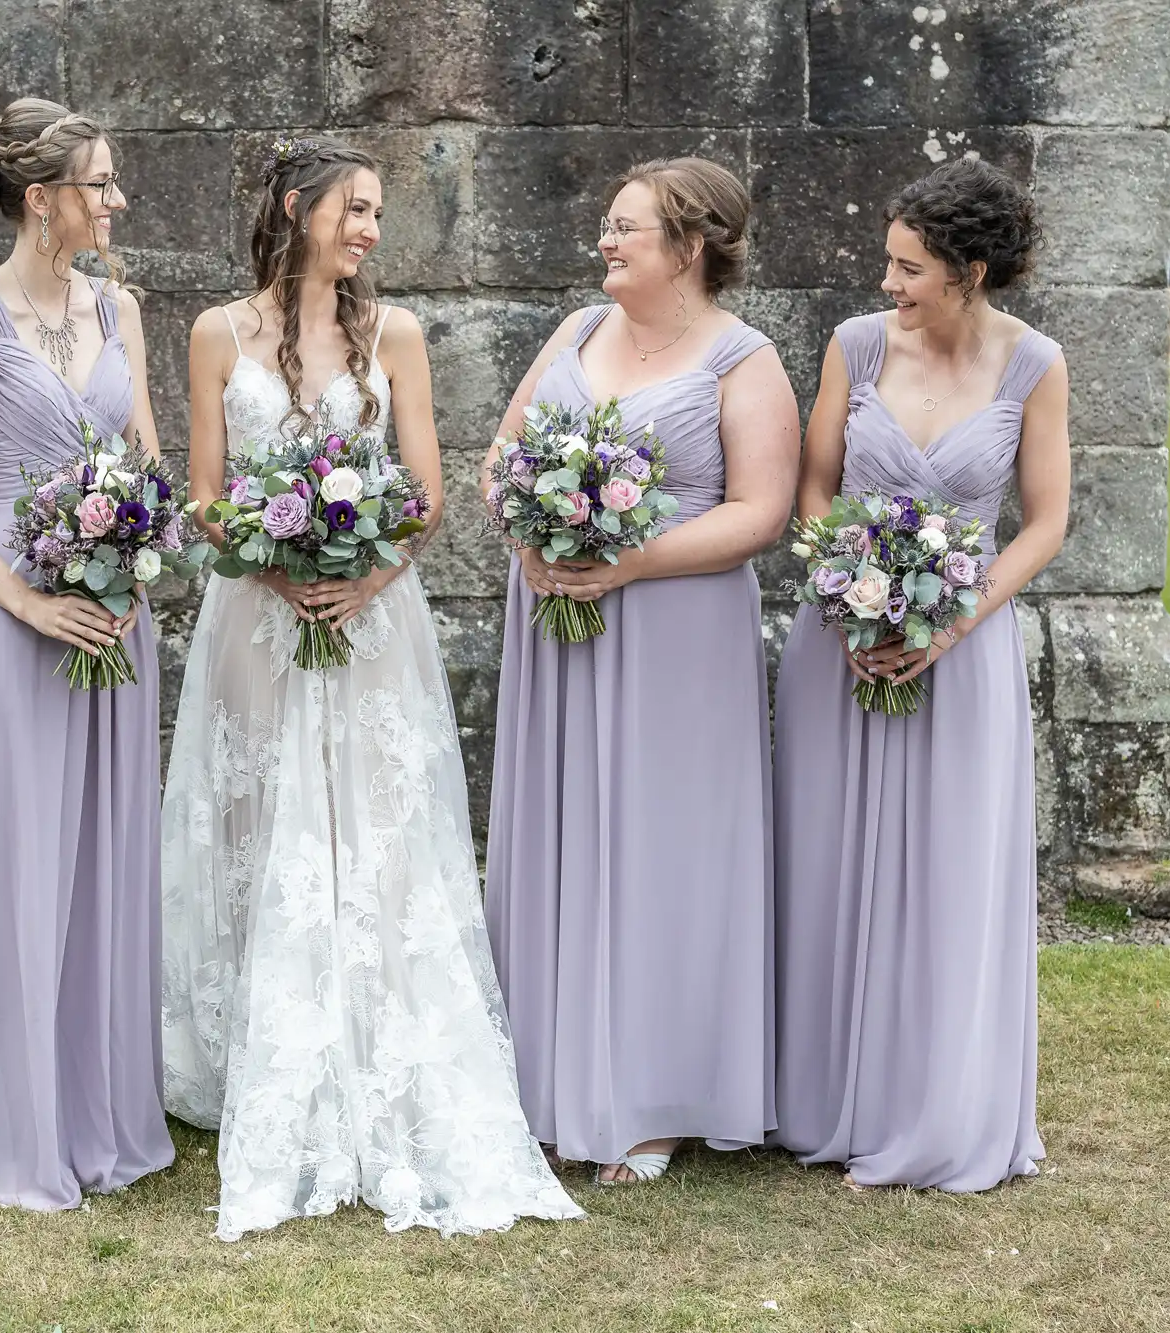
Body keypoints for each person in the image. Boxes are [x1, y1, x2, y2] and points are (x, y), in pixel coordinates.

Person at [157, 135, 582, 1241]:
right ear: (297, 208)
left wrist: (363, 576)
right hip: (254, 617)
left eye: (377, 215)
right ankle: (263, 1051)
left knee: (379, 826)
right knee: (260, 820)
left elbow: (426, 493)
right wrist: (271, 561)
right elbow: (205, 495)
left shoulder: (392, 332)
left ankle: (380, 1043)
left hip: (370, 616)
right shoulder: (214, 332)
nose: (370, 231)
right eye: (355, 209)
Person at [480, 157, 799, 1185]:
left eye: (626, 229)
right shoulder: (574, 332)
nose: (605, 243)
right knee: (559, 831)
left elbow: (759, 513)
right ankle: (544, 1081)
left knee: (663, 846)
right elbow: (501, 457)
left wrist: (628, 560)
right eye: (607, 227)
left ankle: (657, 1097)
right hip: (556, 622)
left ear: (690, 246)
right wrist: (527, 536)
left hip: (676, 636)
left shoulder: (740, 361)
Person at [0, 97, 174, 1209]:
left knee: (97, 860)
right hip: (12, 618)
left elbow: (145, 458)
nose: (115, 201)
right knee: (11, 857)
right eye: (99, 185)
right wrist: (23, 599)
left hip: (111, 616)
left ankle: (89, 1108)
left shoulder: (123, 307)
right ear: (43, 198)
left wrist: (138, 547)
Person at [771, 156, 1070, 1192]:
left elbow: (1044, 523)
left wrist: (948, 624)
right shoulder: (855, 345)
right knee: (827, 858)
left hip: (963, 645)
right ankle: (821, 1099)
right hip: (839, 640)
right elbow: (812, 486)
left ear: (968, 270)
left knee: (948, 875)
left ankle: (936, 1108)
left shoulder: (1034, 364)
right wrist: (843, 595)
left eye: (906, 267)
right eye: (887, 261)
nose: (886, 283)